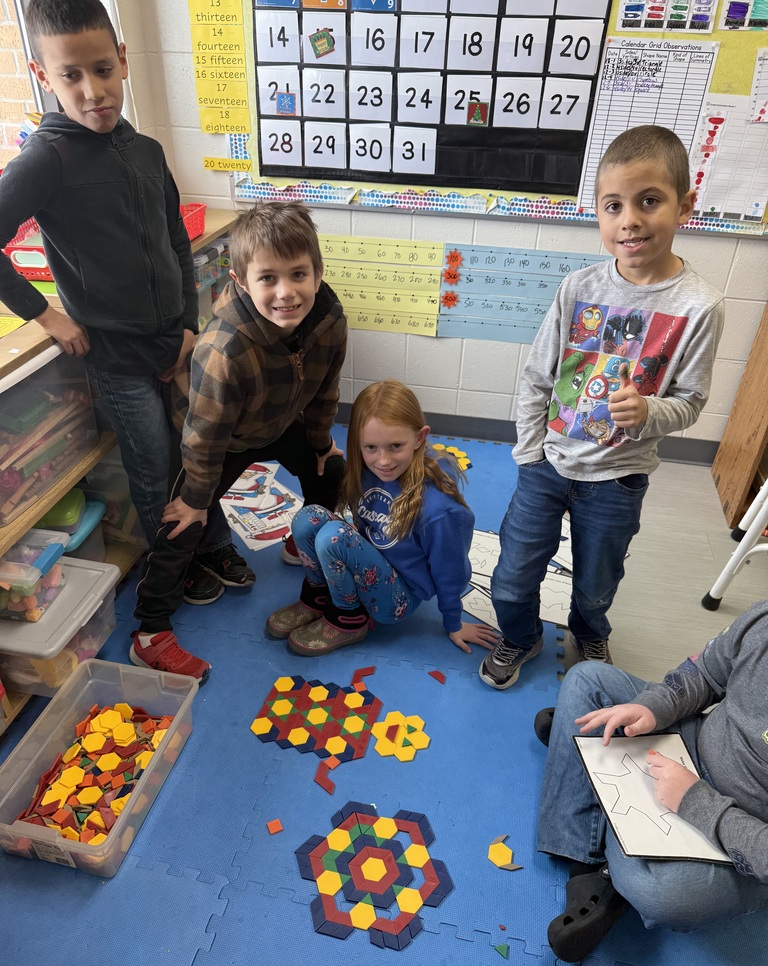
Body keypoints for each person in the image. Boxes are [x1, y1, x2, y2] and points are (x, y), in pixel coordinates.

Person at [479, 125, 724, 691]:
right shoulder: (577, 287)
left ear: (685, 206)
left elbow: (689, 402)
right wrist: (529, 452)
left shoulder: (700, 305)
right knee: (513, 575)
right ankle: (519, 636)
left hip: (618, 478)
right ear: (598, 212)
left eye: (649, 201)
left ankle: (588, 630)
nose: (629, 220)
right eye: (613, 205)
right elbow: (538, 376)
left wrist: (650, 413)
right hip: (548, 465)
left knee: (595, 582)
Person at [0, 0, 199, 547]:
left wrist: (188, 324)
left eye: (103, 69)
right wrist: (45, 317)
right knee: (152, 462)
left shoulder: (148, 151)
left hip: (171, 341)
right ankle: (169, 570)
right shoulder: (47, 159)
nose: (93, 91)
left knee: (194, 452)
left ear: (123, 60)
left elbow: (176, 239)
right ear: (42, 77)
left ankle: (202, 548)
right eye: (71, 75)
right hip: (113, 356)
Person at [130, 200, 346, 683]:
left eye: (299, 275)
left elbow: (324, 391)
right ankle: (149, 633)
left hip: (280, 422)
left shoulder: (330, 320)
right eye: (268, 278)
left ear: (318, 272)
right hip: (222, 439)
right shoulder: (224, 347)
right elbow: (204, 437)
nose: (286, 292)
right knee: (184, 519)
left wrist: (318, 443)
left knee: (329, 469)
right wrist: (197, 498)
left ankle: (303, 544)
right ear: (241, 280)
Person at [535, 601, 768, 963]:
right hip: (691, 743)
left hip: (743, 833)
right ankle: (588, 864)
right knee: (586, 679)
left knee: (666, 897)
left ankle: (584, 766)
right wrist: (651, 708)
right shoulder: (764, 618)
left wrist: (694, 801)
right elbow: (705, 673)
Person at [266, 379, 499, 656]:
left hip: (398, 598)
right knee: (308, 518)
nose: (384, 461)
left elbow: (451, 570)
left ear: (419, 438)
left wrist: (454, 622)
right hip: (371, 566)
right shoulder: (365, 470)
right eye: (371, 448)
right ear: (358, 444)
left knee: (334, 537)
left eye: (395, 446)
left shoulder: (439, 509)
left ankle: (348, 619)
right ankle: (317, 597)